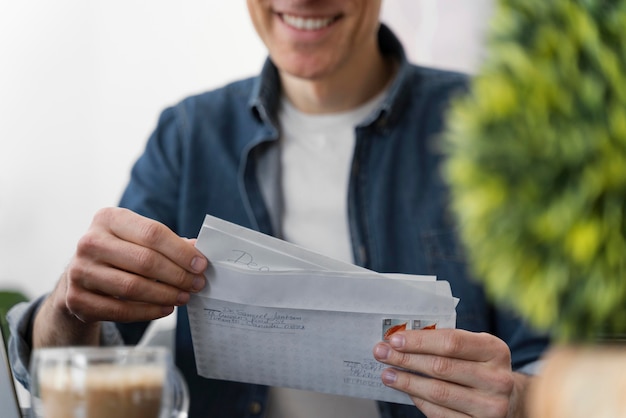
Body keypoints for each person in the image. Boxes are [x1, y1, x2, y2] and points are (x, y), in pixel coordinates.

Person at [8, 1, 549, 417]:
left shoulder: (496, 131)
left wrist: (521, 400)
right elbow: (75, 363)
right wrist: (67, 305)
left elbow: (572, 364)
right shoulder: (188, 137)